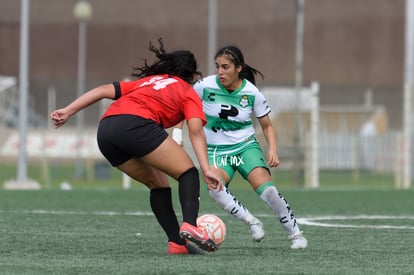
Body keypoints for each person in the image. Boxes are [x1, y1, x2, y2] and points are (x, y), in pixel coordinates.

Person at [50, 38, 221, 255]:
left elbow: (104, 89)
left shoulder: (149, 81)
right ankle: (190, 225)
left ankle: (177, 244)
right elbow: (196, 131)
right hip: (136, 125)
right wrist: (206, 169)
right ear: (191, 75)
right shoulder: (187, 91)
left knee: (158, 183)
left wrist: (67, 111)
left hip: (106, 131)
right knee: (188, 173)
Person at [173, 45, 307, 249]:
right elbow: (184, 104)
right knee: (214, 188)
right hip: (217, 151)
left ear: (238, 68)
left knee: (268, 191)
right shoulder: (204, 85)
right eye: (217, 66)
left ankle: (296, 235)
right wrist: (176, 131)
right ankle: (252, 221)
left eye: (225, 67)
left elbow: (267, 126)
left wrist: (272, 148)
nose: (220, 72)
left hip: (245, 148)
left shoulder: (252, 93)